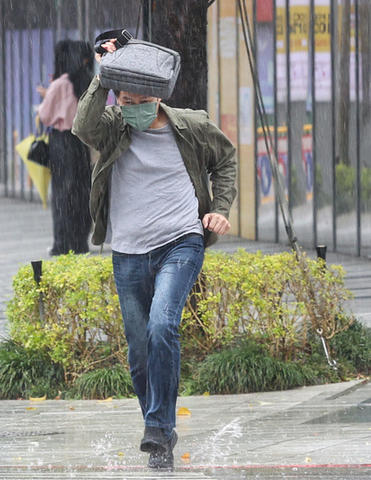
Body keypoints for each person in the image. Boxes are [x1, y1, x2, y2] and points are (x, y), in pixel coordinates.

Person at [72, 39, 237, 469]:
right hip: (127, 251)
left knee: (163, 325)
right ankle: (159, 430)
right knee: (139, 351)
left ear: (158, 95)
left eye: (142, 100)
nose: (135, 108)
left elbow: (226, 159)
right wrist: (103, 73)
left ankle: (158, 427)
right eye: (126, 100)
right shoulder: (113, 125)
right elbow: (82, 127)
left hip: (180, 240)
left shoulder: (191, 125)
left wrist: (219, 210)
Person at [37, 40, 94, 256]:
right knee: (80, 191)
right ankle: (80, 241)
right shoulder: (87, 83)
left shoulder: (61, 84)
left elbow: (45, 115)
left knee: (62, 194)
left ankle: (62, 242)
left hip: (61, 143)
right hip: (80, 143)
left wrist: (47, 98)